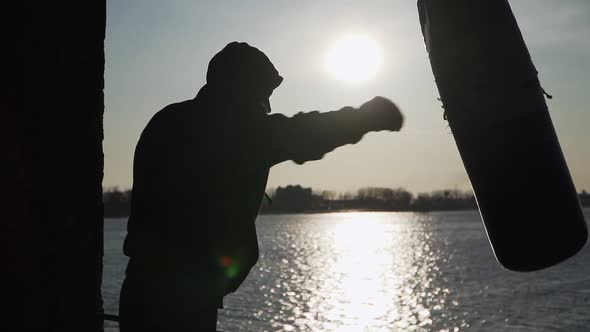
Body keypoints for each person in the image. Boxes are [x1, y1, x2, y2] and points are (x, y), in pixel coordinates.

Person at [118, 41, 404, 331]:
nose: (267, 107)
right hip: (184, 300)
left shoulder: (167, 119)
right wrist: (366, 117)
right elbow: (303, 132)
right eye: (263, 95)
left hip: (141, 289)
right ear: (241, 88)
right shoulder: (234, 131)